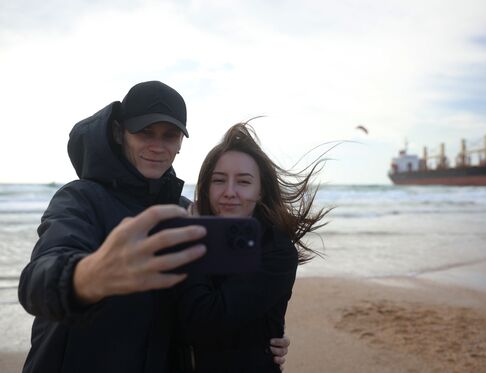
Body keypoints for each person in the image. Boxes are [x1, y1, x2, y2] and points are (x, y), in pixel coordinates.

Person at [17, 81, 289, 373]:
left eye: (169, 135)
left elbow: (214, 306)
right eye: (145, 132)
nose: (157, 147)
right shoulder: (81, 199)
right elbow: (36, 283)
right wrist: (89, 275)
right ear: (120, 133)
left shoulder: (187, 213)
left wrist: (259, 334)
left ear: (180, 143)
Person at [172, 122, 329, 372]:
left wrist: (194, 245)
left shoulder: (276, 251)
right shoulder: (187, 230)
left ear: (261, 190)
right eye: (219, 180)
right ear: (206, 187)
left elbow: (202, 321)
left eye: (243, 182)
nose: (229, 192)